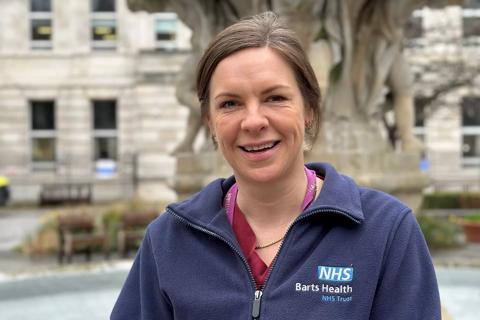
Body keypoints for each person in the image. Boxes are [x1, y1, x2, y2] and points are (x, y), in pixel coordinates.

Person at [111, 12, 440, 319]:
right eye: (230, 103)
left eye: (275, 98)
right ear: (209, 122)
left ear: (309, 109)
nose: (253, 121)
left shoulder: (386, 231)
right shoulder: (169, 239)